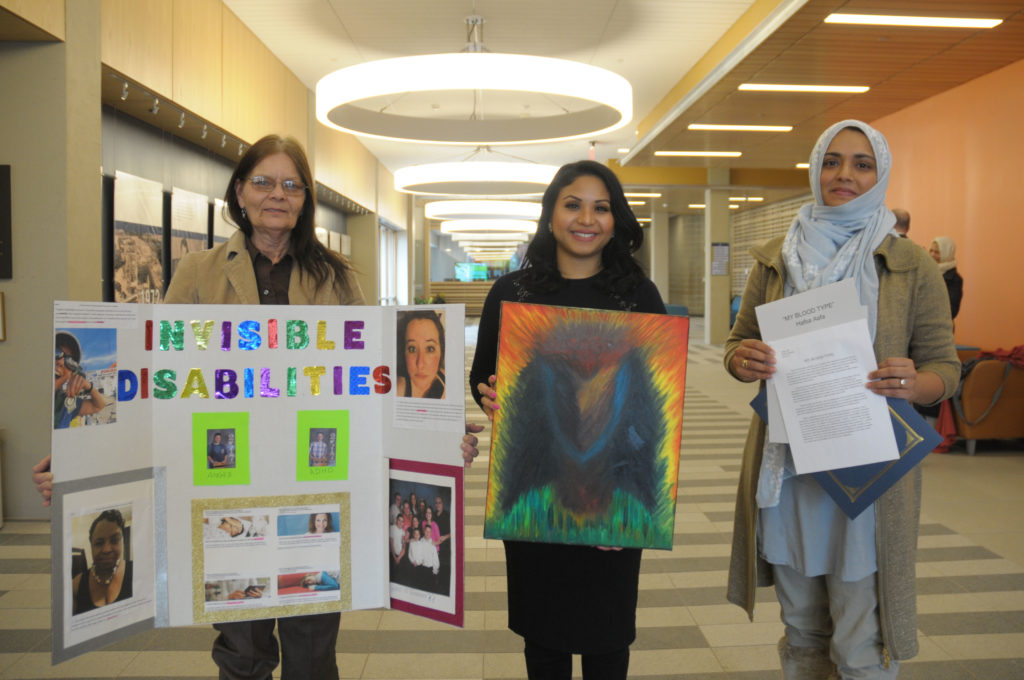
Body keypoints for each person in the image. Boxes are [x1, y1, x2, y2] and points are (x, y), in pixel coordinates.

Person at [29, 134, 483, 678]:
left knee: (314, 647)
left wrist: (437, 436)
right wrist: (78, 460)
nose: (278, 194)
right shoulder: (198, 273)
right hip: (227, 487)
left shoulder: (337, 278)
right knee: (241, 651)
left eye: (292, 184)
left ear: (305, 198)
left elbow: (376, 381)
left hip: (316, 481)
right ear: (239, 191)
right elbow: (158, 383)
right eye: (263, 182)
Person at [724, 120, 960, 679]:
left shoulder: (909, 264)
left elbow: (945, 369)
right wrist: (742, 360)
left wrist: (914, 383)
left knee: (860, 641)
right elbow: (738, 344)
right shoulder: (775, 257)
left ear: (880, 175)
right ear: (814, 169)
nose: (844, 175)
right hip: (791, 476)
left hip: (867, 477)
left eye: (861, 164)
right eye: (831, 161)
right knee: (802, 631)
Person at [469, 160, 665, 680]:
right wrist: (489, 395)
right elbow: (483, 377)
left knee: (607, 643)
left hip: (611, 502)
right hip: (536, 495)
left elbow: (653, 407)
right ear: (551, 215)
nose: (587, 218)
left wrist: (631, 509)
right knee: (545, 643)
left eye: (601, 207)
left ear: (615, 219)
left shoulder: (638, 297)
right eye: (572, 204)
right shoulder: (512, 293)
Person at [72, 508, 133, 615]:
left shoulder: (138, 572)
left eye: (114, 540)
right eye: (99, 543)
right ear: (91, 546)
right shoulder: (76, 585)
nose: (107, 550)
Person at [54, 331, 106, 429]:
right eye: (57, 352)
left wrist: (88, 387)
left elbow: (99, 405)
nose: (60, 362)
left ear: (71, 374)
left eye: (70, 362)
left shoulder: (66, 405)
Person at [395, 310, 446, 398]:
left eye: (430, 349)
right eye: (412, 349)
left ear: (441, 351)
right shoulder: (397, 390)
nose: (420, 364)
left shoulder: (446, 380)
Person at [928, 236, 963, 319]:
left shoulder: (955, 279)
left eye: (937, 252)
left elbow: (951, 311)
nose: (932, 255)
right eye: (931, 251)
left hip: (940, 327)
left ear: (947, 253)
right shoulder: (926, 271)